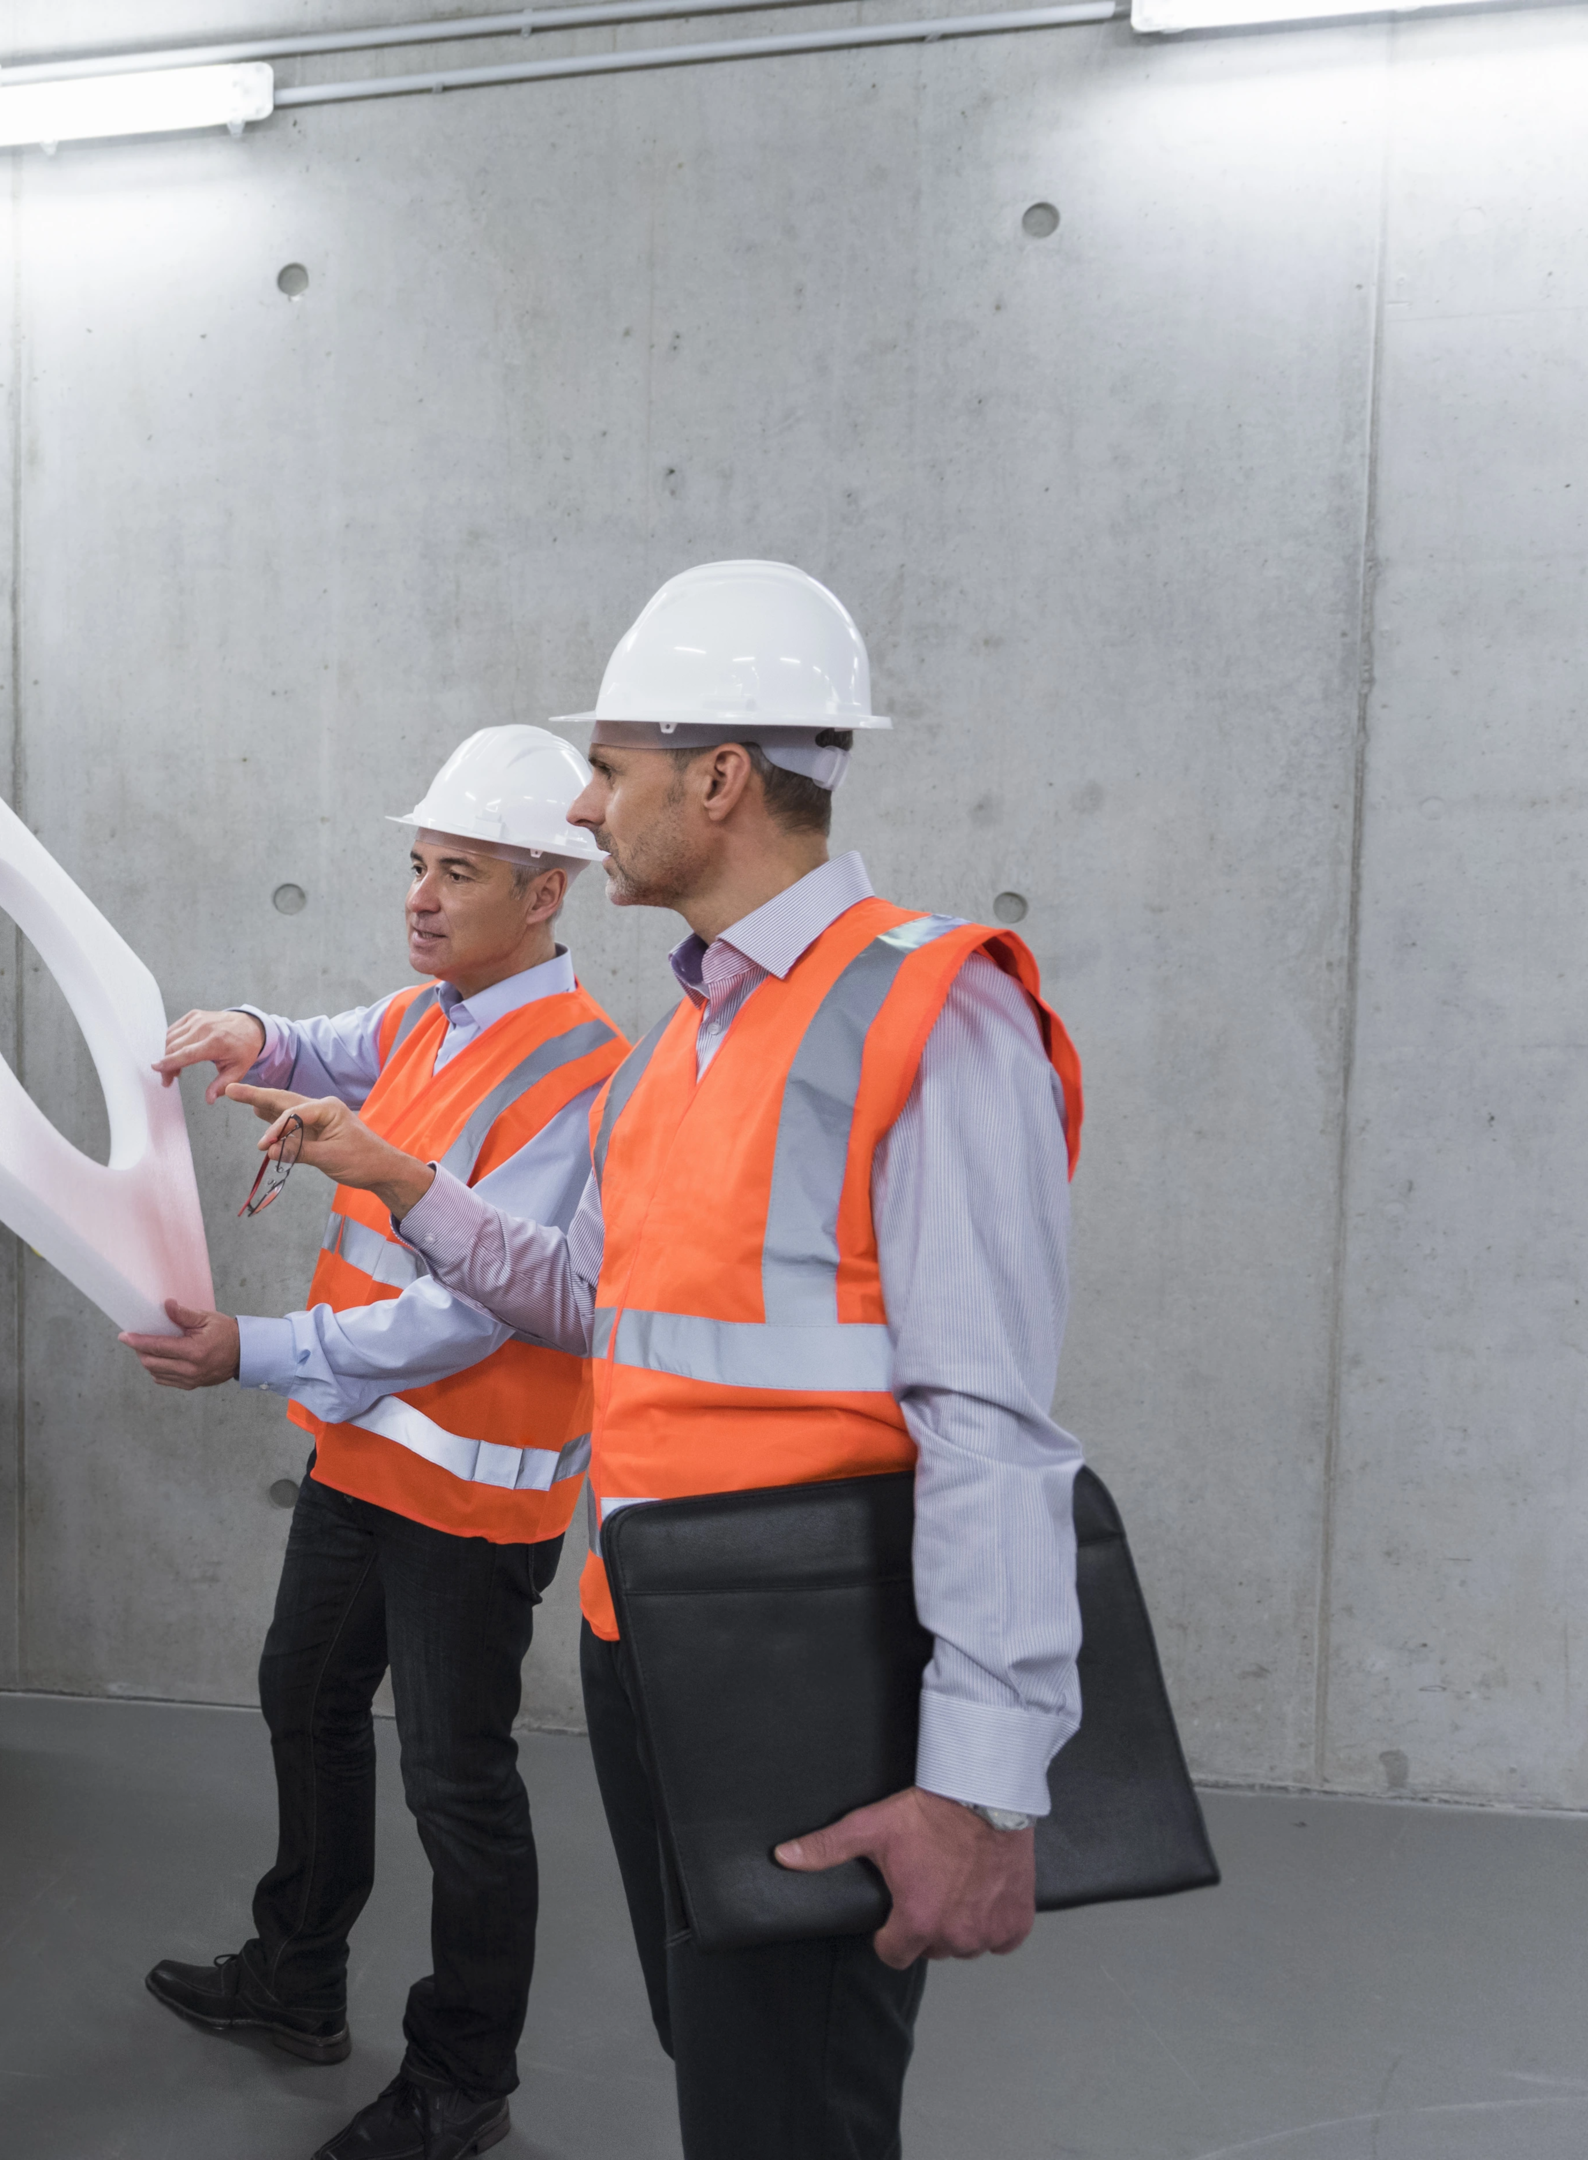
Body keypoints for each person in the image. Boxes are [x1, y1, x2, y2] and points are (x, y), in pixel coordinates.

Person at [224, 560, 1088, 2160]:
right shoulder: (695, 1033)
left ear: (719, 778)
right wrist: (405, 1183)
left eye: (608, 768)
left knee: (790, 2115)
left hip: (806, 1674)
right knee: (725, 2069)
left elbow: (991, 1426)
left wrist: (982, 1785)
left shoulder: (929, 1017)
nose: (583, 799)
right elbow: (590, 1301)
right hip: (651, 1643)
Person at [121, 725, 630, 2160]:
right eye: (415, 865)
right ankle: (297, 1980)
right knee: (305, 1694)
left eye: (456, 872)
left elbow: (475, 1317)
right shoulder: (430, 1015)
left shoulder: (580, 1072)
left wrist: (256, 1352)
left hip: (471, 1496)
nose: (419, 897)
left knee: (457, 1787)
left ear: (547, 894)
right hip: (366, 1459)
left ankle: (462, 2081)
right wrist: (249, 1030)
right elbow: (331, 1045)